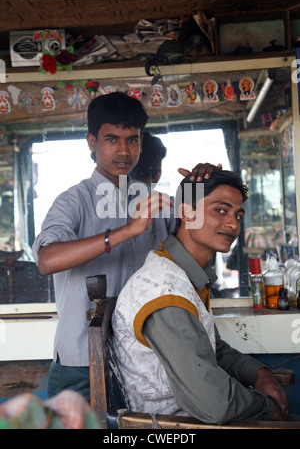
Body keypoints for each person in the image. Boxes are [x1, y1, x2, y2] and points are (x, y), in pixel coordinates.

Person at [32, 91, 220, 402]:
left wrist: (205, 187)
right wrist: (126, 231)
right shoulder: (73, 201)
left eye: (132, 140)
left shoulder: (157, 205)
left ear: (141, 142)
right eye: (111, 139)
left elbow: (200, 250)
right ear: (91, 142)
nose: (123, 150)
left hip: (142, 361)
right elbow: (47, 260)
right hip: (80, 361)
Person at [112, 169, 289, 425]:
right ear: (186, 212)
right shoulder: (165, 291)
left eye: (238, 215)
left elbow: (211, 347)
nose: (233, 224)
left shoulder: (183, 275)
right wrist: (266, 407)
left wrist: (258, 373)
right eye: (220, 210)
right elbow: (214, 404)